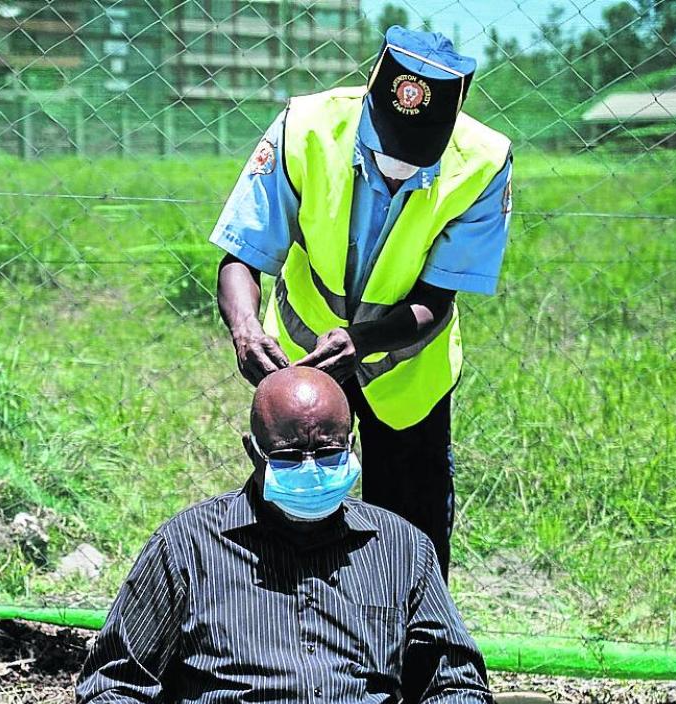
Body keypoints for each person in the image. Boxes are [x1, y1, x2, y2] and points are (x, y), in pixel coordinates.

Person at [72, 367, 499, 704]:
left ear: (352, 445)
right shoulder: (187, 547)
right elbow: (106, 694)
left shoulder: (401, 548)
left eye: (330, 453)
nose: (312, 470)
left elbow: (451, 686)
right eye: (289, 457)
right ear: (252, 451)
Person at [213, 26, 514, 579]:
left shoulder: (484, 162)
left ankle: (408, 652)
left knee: (410, 532)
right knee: (288, 520)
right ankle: (285, 644)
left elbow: (434, 300)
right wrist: (246, 330)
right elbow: (241, 253)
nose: (396, 168)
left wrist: (366, 341)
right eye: (384, 147)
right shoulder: (305, 127)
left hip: (406, 371)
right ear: (371, 97)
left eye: (415, 157)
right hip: (299, 365)